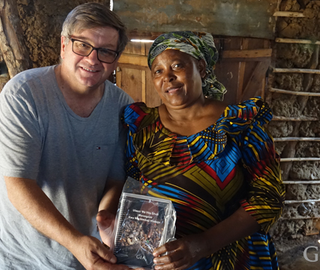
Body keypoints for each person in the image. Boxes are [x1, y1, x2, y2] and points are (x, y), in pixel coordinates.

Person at [0, 3, 134, 270]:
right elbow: (19, 184)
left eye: (106, 51)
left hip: (79, 256)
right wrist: (75, 241)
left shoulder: (122, 107)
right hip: (14, 256)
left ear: (116, 59)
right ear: (63, 45)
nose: (93, 60)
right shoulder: (23, 95)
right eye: (82, 45)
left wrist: (105, 216)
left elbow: (115, 178)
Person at [121, 31, 285, 270]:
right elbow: (131, 187)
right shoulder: (141, 127)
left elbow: (269, 199)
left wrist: (203, 244)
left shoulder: (239, 124)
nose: (168, 77)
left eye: (177, 66)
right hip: (161, 261)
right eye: (158, 71)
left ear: (201, 68)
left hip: (229, 259)